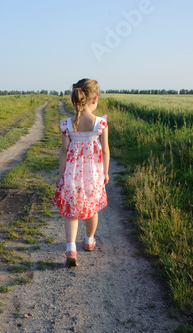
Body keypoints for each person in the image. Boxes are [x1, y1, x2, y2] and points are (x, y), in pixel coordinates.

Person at [51, 78, 110, 267]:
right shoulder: (100, 124)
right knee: (92, 209)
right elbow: (106, 150)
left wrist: (61, 175)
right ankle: (88, 240)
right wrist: (106, 173)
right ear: (94, 100)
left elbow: (63, 151)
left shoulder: (67, 124)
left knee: (71, 212)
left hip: (72, 174)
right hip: (93, 175)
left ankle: (70, 248)